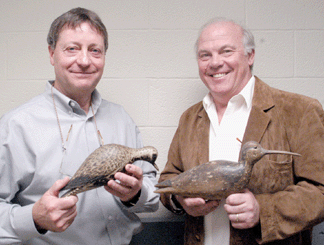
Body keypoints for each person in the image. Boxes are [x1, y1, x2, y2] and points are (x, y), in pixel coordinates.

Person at [0, 7, 159, 245]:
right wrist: (33, 217)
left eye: (95, 51)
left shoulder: (121, 118)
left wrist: (137, 193)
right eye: (72, 49)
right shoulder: (16, 126)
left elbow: (153, 192)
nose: (84, 61)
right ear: (52, 54)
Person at [158, 18, 324, 245]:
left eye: (226, 51)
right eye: (205, 55)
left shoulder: (299, 111)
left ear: (250, 55)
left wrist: (263, 211)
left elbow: (320, 191)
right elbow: (169, 178)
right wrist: (180, 199)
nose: (215, 63)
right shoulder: (189, 118)